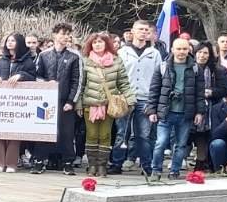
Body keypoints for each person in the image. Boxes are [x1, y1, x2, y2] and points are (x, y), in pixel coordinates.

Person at [147, 37, 206, 178]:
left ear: (189, 50)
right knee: (160, 143)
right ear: (172, 49)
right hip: (166, 112)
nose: (181, 52)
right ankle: (156, 169)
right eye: (178, 49)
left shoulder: (196, 68)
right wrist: (151, 110)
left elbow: (200, 93)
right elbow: (154, 90)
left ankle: (175, 170)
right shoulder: (162, 66)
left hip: (185, 113)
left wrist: (199, 112)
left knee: (181, 145)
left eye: (184, 49)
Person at [78, 32, 133, 177]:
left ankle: (102, 166)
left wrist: (130, 100)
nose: (97, 44)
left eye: (100, 42)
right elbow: (81, 85)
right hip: (90, 104)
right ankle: (92, 165)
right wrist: (78, 104)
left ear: (106, 44)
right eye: (94, 42)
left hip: (109, 105)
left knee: (105, 135)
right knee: (91, 134)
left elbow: (123, 83)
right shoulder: (85, 61)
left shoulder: (116, 61)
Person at [111, 19, 162, 175]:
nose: (144, 32)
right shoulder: (121, 52)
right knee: (121, 133)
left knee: (143, 135)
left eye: (147, 30)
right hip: (125, 98)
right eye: (141, 29)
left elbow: (159, 77)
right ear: (132, 32)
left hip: (146, 99)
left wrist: (155, 101)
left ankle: (147, 166)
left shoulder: (154, 54)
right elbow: (115, 76)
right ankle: (116, 163)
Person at [34, 22, 83, 174]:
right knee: (44, 131)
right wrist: (45, 84)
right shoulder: (43, 55)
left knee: (66, 133)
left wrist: (71, 101)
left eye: (68, 34)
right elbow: (37, 76)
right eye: (62, 33)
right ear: (55, 35)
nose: (65, 37)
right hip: (46, 101)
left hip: (64, 101)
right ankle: (39, 160)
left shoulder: (75, 56)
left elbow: (78, 80)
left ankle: (68, 161)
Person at [0, 33, 36, 172]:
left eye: (13, 41)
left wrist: (21, 76)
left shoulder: (28, 61)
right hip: (1, 101)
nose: (10, 43)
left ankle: (11, 163)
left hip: (18, 101)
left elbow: (33, 77)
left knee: (14, 133)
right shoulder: (1, 61)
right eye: (8, 41)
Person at [190, 43, 227, 171]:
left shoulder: (219, 70)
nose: (202, 55)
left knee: (207, 135)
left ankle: (204, 162)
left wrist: (210, 92)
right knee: (191, 136)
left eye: (205, 53)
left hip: (213, 108)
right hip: (191, 106)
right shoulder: (189, 68)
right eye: (199, 52)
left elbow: (224, 89)